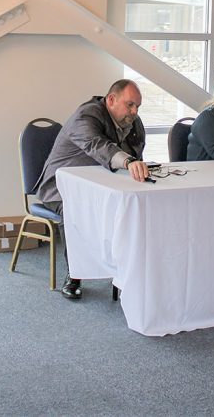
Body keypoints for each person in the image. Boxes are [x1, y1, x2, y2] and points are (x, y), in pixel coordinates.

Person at [34, 79, 149, 299]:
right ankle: (75, 274)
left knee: (133, 210)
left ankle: (127, 272)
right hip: (60, 187)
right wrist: (128, 163)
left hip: (102, 187)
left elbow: (137, 155)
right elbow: (98, 146)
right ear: (112, 99)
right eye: (130, 105)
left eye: (137, 107)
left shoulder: (133, 121)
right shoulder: (87, 116)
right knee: (74, 211)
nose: (134, 112)